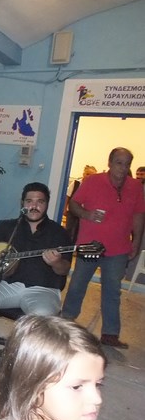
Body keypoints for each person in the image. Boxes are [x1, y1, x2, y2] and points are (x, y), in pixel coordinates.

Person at [0, 182, 73, 360]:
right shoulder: (10, 226)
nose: (34, 206)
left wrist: (56, 262)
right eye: (29, 201)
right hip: (10, 285)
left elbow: (64, 269)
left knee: (42, 314)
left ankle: (23, 357)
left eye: (40, 202)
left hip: (44, 289)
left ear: (47, 204)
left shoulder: (58, 233)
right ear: (22, 203)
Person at [61, 147, 145, 349]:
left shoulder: (135, 187)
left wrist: (136, 241)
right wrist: (87, 214)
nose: (122, 168)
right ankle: (65, 323)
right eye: (119, 163)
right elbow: (74, 205)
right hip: (89, 245)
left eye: (127, 164)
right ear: (109, 163)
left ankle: (110, 334)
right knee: (78, 284)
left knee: (112, 291)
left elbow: (138, 215)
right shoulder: (92, 181)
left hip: (118, 248)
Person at [64, 165, 96, 243]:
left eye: (92, 175)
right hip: (72, 212)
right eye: (87, 174)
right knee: (69, 230)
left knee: (79, 231)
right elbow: (67, 196)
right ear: (84, 173)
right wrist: (64, 209)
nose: (89, 176)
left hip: (83, 213)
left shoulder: (93, 187)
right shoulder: (75, 183)